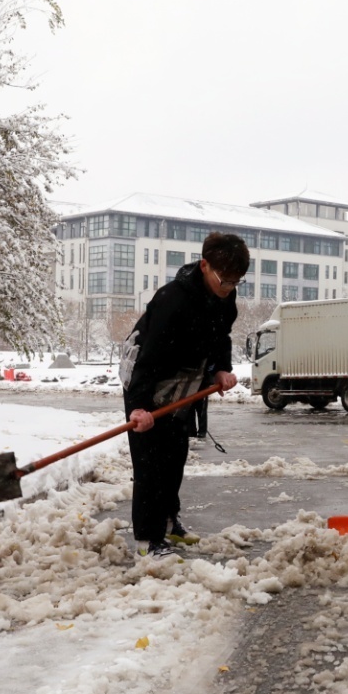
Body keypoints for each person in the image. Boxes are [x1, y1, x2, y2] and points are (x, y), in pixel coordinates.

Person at [121, 232, 247, 556]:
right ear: (204, 265)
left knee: (174, 455)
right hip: (146, 377)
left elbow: (222, 337)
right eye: (225, 280)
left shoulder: (224, 298)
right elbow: (147, 360)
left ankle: (167, 522)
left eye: (236, 282)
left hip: (184, 383)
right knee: (150, 462)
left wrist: (221, 368)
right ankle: (148, 540)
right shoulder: (171, 300)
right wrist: (138, 407)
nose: (229, 288)